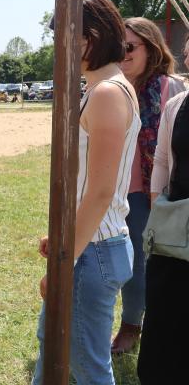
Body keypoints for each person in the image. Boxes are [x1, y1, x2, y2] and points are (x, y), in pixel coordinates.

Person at [32, 0, 140, 385]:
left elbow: (100, 193)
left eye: (64, 38)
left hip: (92, 253)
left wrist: (63, 261)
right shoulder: (104, 88)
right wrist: (62, 235)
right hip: (91, 245)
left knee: (88, 367)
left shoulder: (109, 92)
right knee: (52, 349)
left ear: (88, 37)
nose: (60, 49)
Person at [110, 17, 186, 354]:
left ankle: (132, 325)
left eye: (129, 46)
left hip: (148, 195)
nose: (122, 53)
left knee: (141, 263)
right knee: (110, 258)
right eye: (118, 47)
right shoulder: (111, 88)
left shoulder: (172, 89)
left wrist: (159, 196)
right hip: (111, 190)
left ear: (151, 48)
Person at [137, 36, 189, 384]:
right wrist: (158, 203)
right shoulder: (178, 105)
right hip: (176, 232)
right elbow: (163, 160)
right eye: (188, 54)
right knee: (166, 318)